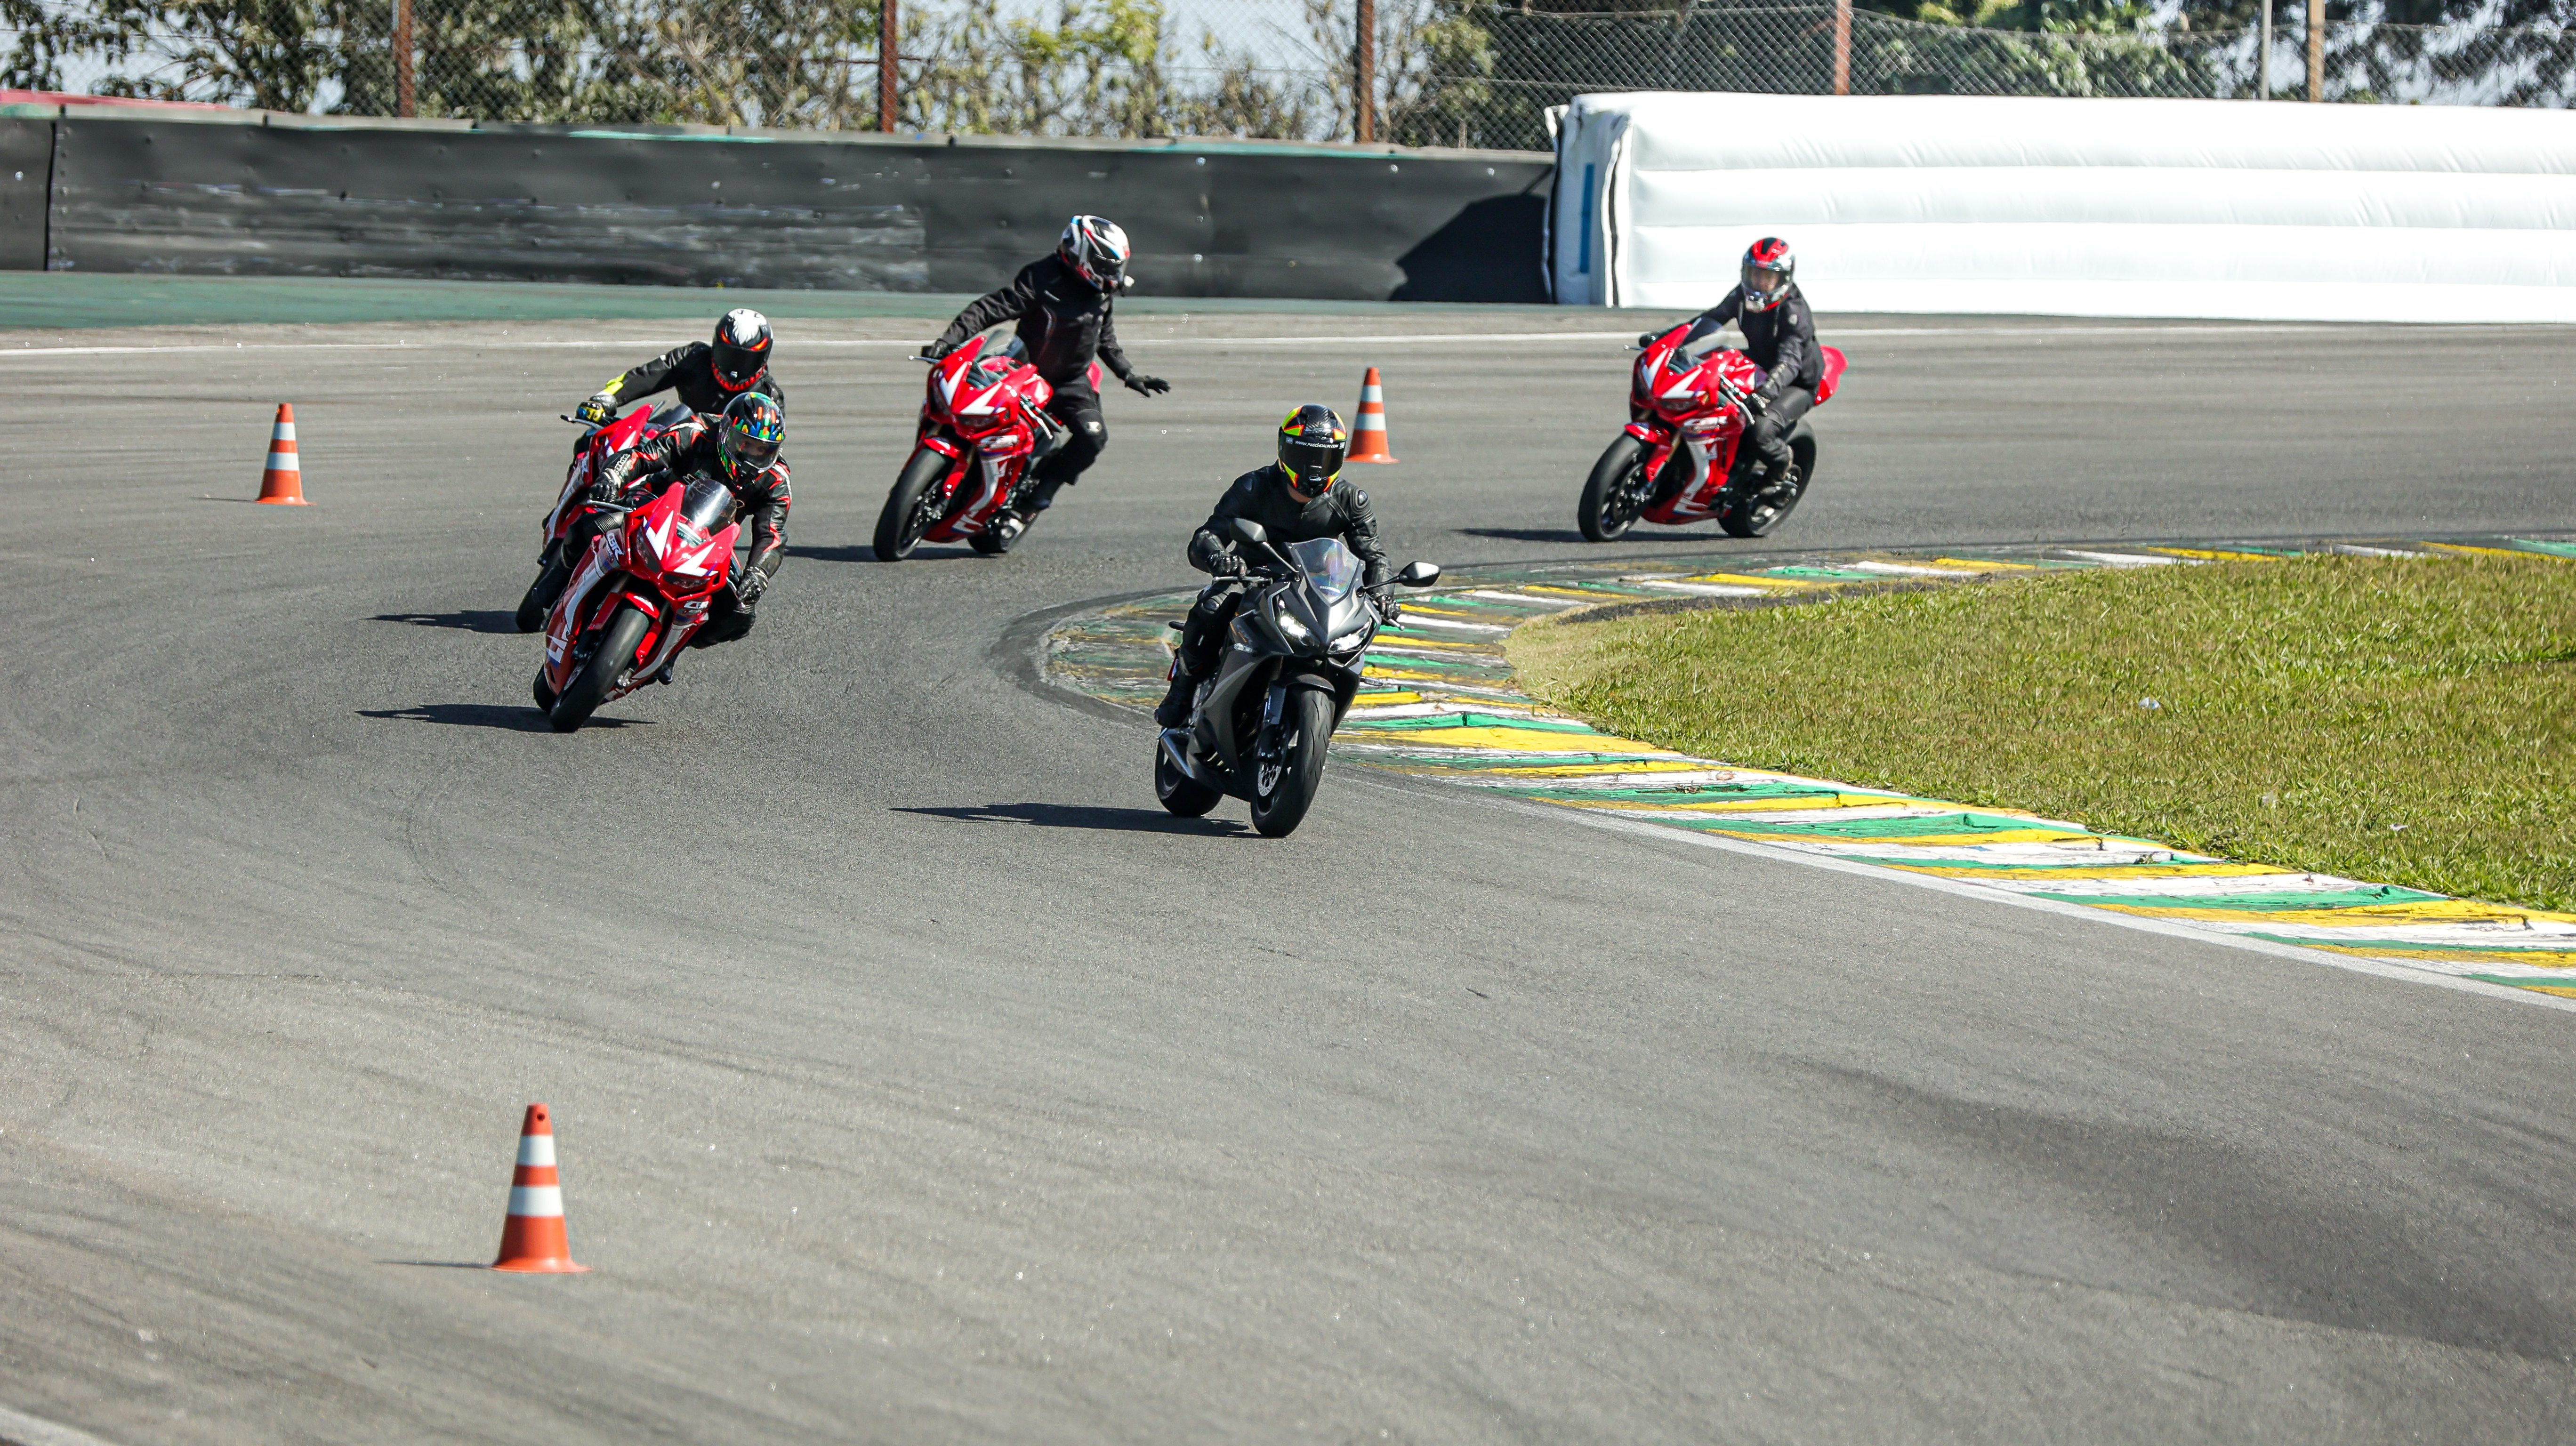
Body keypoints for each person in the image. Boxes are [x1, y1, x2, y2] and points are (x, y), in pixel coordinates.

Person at [926, 216, 1169, 541]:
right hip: (1022, 370)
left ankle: (1034, 501)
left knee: (1093, 437)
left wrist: (1128, 374)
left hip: (1070, 381)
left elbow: (1105, 339)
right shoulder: (1041, 277)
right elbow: (990, 308)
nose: (1112, 275)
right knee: (966, 400)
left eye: (1116, 267)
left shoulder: (1102, 292)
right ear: (1080, 254)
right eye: (1104, 265)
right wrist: (949, 339)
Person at [1153, 404, 1391, 728]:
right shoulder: (1254, 487)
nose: (1314, 469)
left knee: (1357, 625)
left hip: (1316, 587)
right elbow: (1207, 535)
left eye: (1323, 458)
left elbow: (1373, 556)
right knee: (1212, 609)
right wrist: (1221, 559)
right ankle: (1183, 687)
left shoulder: (1351, 500)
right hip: (1252, 576)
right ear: (1284, 451)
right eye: (1305, 457)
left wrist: (1383, 595)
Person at [574, 391, 790, 657]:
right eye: (745, 444)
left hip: (709, 538)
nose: (752, 456)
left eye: (762, 450)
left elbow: (772, 535)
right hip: (654, 502)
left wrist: (758, 574)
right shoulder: (698, 431)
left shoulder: (776, 480)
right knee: (591, 525)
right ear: (726, 432)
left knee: (740, 614)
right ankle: (553, 594)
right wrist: (612, 476)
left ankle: (670, 650)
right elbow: (645, 454)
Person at [1648, 237, 1820, 496]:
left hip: (1796, 381)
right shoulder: (1743, 294)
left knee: (1759, 431)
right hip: (1761, 360)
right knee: (1700, 375)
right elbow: (1712, 318)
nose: (1759, 283)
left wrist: (1764, 396)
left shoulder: (1794, 313)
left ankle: (1781, 464)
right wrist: (1667, 339)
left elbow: (1790, 361)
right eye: (1754, 274)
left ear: (1784, 279)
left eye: (1767, 277)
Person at [573, 308, 785, 425]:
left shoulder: (768, 395)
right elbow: (644, 376)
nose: (735, 368)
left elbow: (768, 450)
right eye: (729, 356)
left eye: (745, 360)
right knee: (592, 442)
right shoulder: (693, 358)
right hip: (673, 441)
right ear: (715, 346)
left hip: (720, 468)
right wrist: (606, 398)